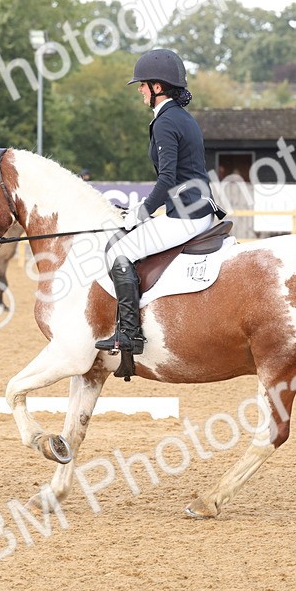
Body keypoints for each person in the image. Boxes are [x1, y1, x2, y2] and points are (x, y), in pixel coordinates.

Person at [95, 48, 222, 359]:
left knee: (120, 250)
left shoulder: (166, 121)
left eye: (142, 84)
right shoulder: (181, 117)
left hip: (187, 216)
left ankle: (129, 334)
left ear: (157, 87)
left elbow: (166, 178)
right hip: (195, 208)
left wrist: (142, 212)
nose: (139, 90)